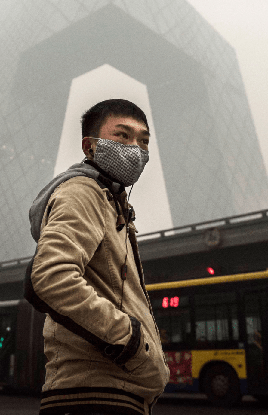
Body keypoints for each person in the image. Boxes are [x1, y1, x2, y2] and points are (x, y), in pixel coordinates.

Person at [25, 99, 170, 415]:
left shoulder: (111, 202)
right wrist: (131, 342)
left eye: (143, 140)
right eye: (122, 136)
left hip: (112, 392)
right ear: (90, 147)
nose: (136, 149)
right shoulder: (83, 192)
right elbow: (50, 278)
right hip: (93, 395)